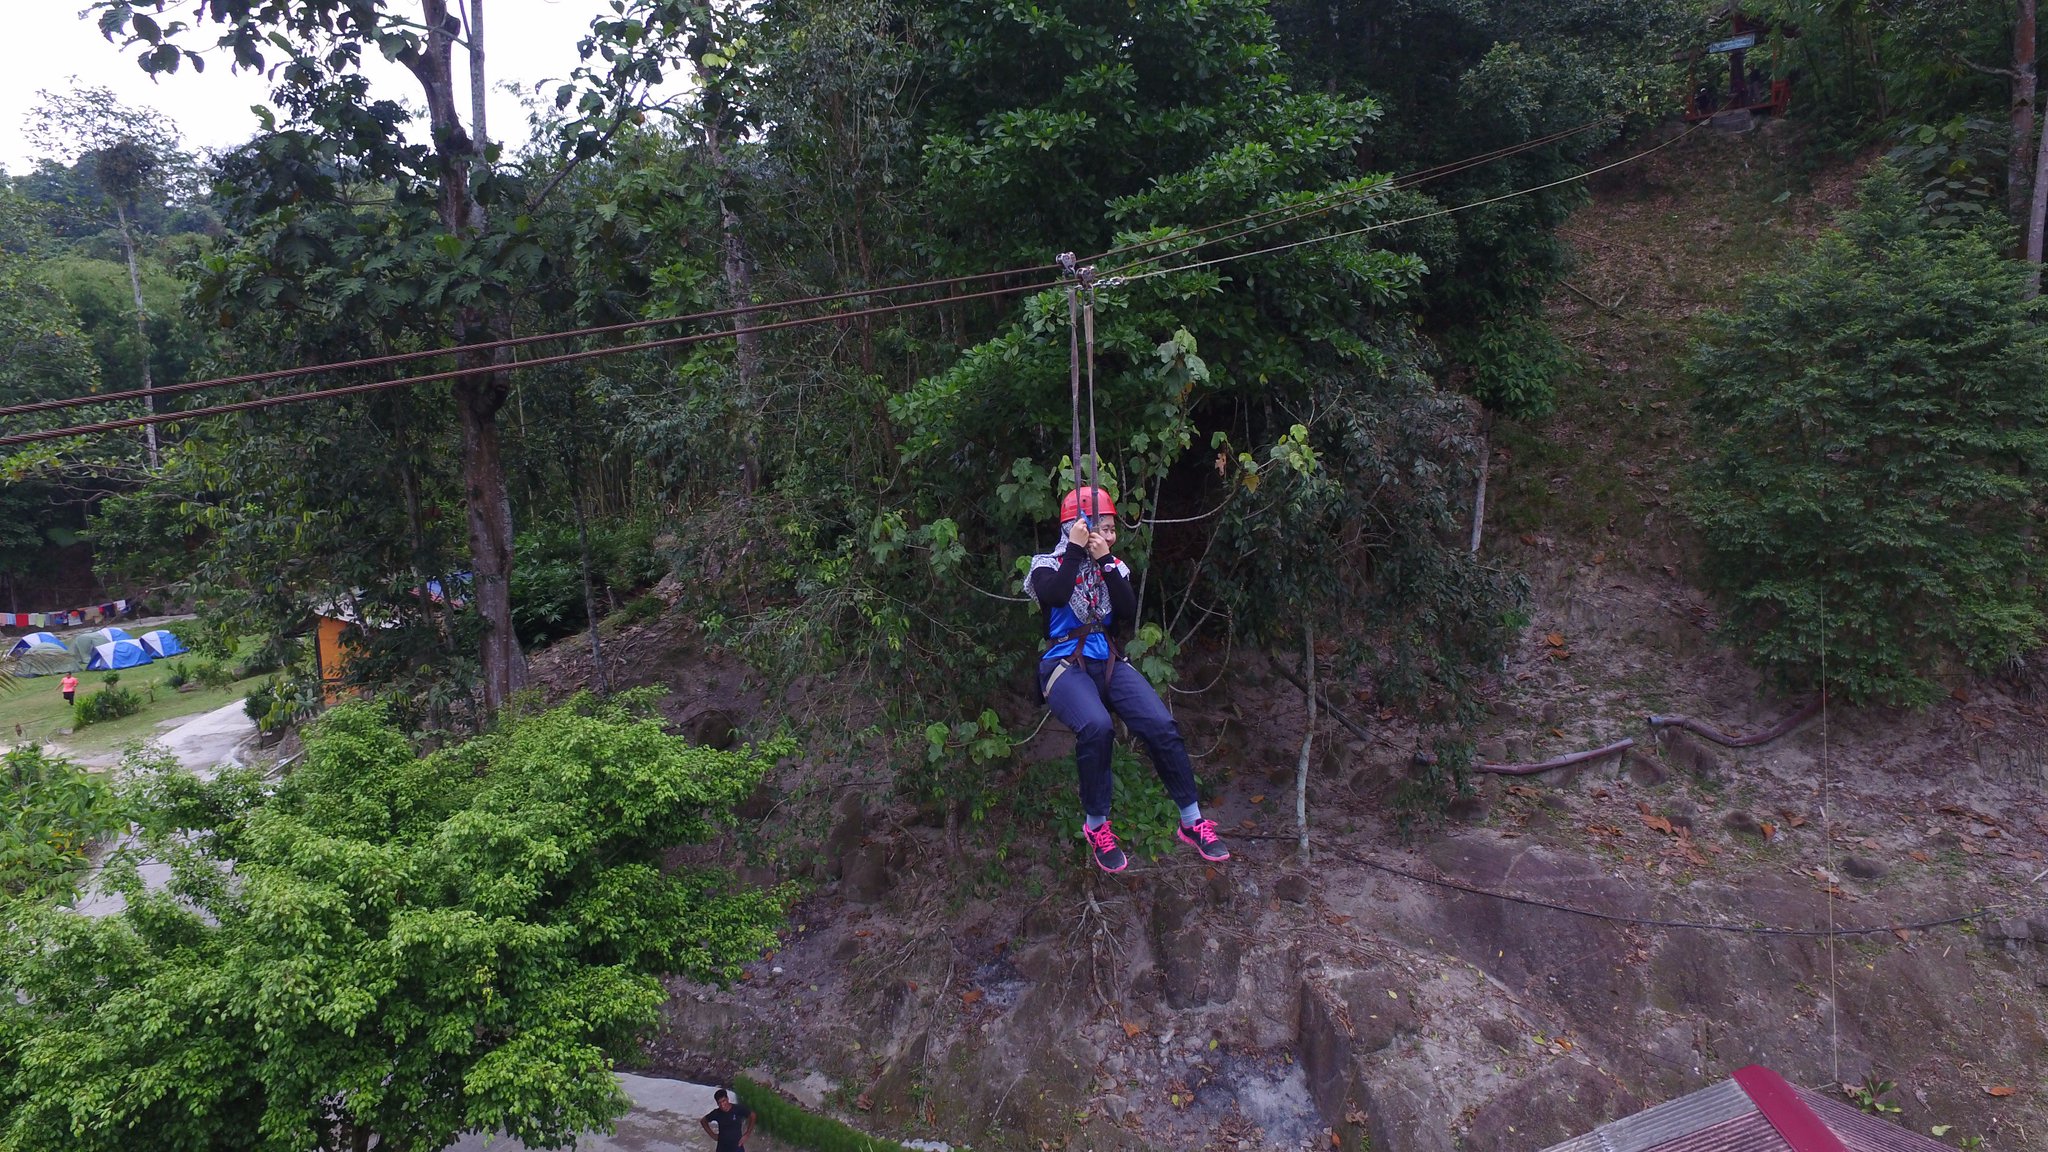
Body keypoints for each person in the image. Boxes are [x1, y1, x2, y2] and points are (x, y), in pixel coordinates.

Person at [1028, 484, 1229, 873]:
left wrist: (1103, 559)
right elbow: (1055, 595)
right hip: (1064, 664)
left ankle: (1191, 820)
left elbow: (1126, 608)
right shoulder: (1046, 565)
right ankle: (1096, 826)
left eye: (1111, 528)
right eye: (1101, 527)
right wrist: (1076, 550)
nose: (1109, 535)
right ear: (1074, 528)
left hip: (1107, 660)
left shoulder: (1113, 567)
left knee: (1161, 724)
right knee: (1097, 727)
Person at [700, 1088, 753, 1152]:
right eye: (719, 1103)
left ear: (727, 1099)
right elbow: (703, 1121)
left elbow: (753, 1115)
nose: (722, 1105)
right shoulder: (716, 1113)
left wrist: (747, 1134)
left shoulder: (738, 1109)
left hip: (737, 1146)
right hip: (722, 1147)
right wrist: (712, 1135)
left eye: (724, 1101)